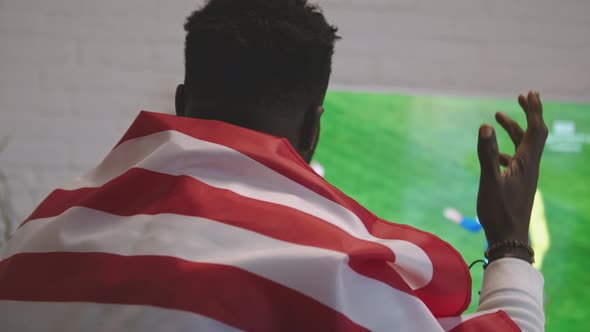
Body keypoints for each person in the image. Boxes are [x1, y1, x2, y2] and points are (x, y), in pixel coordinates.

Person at [0, 1, 548, 331]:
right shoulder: (342, 276)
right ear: (314, 127)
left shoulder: (30, 242)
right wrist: (509, 245)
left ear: (182, 101)